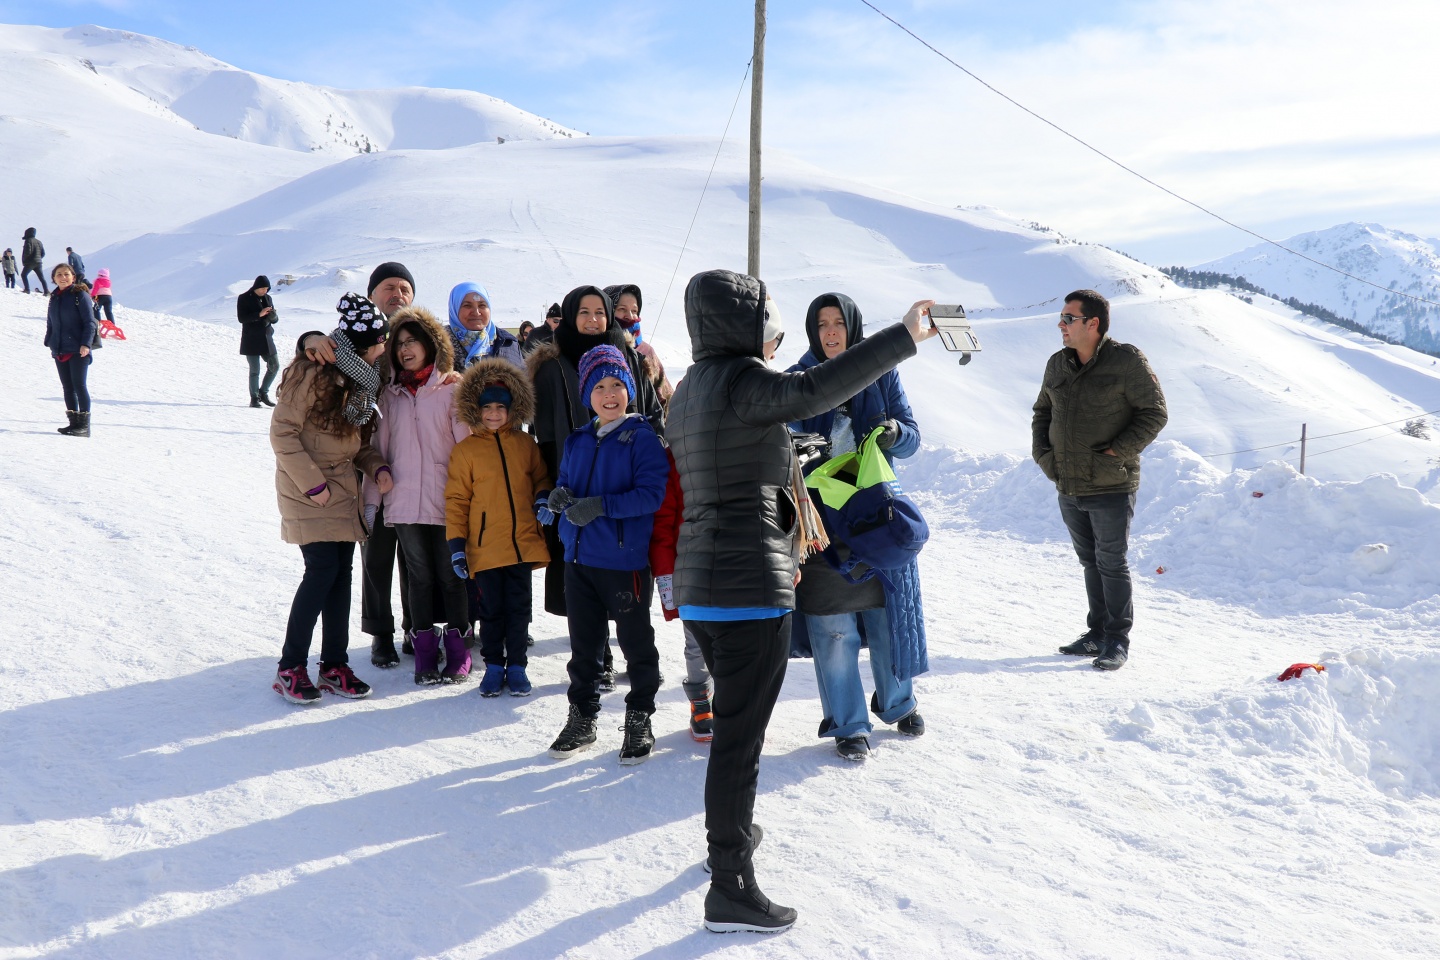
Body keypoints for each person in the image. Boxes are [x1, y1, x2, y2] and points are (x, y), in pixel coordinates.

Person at [667, 268, 937, 934]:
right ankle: (729, 883)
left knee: (735, 728)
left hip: (704, 583)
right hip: (747, 587)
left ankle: (731, 835)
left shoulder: (693, 388)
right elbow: (819, 385)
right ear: (740, 323)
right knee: (739, 741)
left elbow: (733, 457)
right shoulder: (744, 380)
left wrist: (789, 450)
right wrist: (903, 336)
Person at [788, 292, 928, 761]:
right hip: (822, 527)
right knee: (833, 631)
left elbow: (911, 438)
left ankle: (898, 703)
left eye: (838, 323)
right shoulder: (796, 379)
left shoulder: (881, 370)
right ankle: (848, 724)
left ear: (852, 326)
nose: (831, 331)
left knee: (888, 619)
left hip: (876, 519)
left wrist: (893, 432)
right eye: (822, 323)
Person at [543, 344, 669, 764]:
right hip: (578, 561)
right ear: (587, 394)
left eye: (617, 384)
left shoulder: (641, 437)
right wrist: (558, 499)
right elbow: (563, 481)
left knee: (636, 646)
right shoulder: (578, 439)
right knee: (584, 649)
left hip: (622, 562)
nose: (609, 393)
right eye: (599, 386)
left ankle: (639, 718)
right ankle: (582, 718)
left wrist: (599, 505)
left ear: (630, 390)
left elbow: (652, 495)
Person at [1032, 289, 1168, 671]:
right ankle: (1096, 633)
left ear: (1093, 324)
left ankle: (1117, 639)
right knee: (1090, 561)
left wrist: (1117, 451)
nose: (1061, 324)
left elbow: (1154, 413)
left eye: (1069, 318)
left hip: (1111, 484)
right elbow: (1042, 413)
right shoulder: (1057, 364)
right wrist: (1044, 456)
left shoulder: (1126, 361)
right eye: (1061, 317)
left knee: (1111, 561)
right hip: (1068, 483)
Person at [295, 262, 423, 668]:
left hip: (408, 458)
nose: (397, 293)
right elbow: (319, 350)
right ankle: (380, 633)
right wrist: (306, 338)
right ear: (371, 294)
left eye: (405, 287)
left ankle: (414, 627)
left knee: (415, 553)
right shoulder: (348, 338)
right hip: (357, 461)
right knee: (376, 552)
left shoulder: (418, 334)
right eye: (389, 286)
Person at [527, 286, 664, 652]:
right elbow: (543, 434)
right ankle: (595, 651)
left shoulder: (629, 359)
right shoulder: (552, 367)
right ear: (570, 316)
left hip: (622, 486)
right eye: (583, 312)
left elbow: (652, 412)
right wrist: (554, 486)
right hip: (571, 480)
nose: (592, 320)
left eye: (599, 312)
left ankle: (637, 659)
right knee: (580, 570)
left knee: (623, 572)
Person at [269, 293, 391, 704]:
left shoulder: (358, 383)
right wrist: (313, 486)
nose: (385, 349)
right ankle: (291, 667)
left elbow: (352, 445)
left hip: (342, 494)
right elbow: (282, 433)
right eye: (380, 342)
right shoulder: (312, 372)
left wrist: (376, 466)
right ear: (365, 345)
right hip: (311, 493)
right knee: (321, 573)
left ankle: (334, 665)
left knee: (340, 576)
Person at [363, 306, 475, 685]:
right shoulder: (390, 397)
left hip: (448, 502)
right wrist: (372, 502)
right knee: (419, 577)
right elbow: (379, 450)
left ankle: (458, 652)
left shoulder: (452, 391)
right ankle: (425, 652)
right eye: (399, 344)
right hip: (405, 502)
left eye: (413, 341)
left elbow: (468, 449)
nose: (406, 349)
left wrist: (475, 498)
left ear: (431, 344)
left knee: (451, 576)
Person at [446, 358, 551, 697]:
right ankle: (493, 665)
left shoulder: (525, 444)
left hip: (521, 542)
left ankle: (517, 665)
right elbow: (457, 500)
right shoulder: (466, 452)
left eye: (500, 407)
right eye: (487, 406)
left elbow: (540, 478)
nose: (494, 413)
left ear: (513, 409)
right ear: (476, 410)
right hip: (485, 547)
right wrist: (457, 545)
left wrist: (542, 498)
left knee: (519, 608)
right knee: (491, 609)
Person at [44, 262, 98, 438]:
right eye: (59, 274)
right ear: (54, 279)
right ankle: (74, 424)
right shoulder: (55, 297)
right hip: (59, 348)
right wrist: (49, 340)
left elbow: (90, 322)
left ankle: (84, 427)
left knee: (79, 385)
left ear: (73, 277)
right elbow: (51, 321)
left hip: (78, 348)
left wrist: (86, 344)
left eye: (66, 274)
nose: (63, 277)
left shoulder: (79, 295)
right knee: (67, 387)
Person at [447, 281, 525, 370]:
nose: (476, 312)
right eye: (467, 305)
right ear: (454, 310)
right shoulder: (437, 346)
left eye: (482, 305)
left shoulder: (508, 343)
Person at [237, 275, 281, 408]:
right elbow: (241, 318)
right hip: (251, 338)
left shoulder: (268, 298)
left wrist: (273, 317)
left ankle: (263, 392)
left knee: (274, 366)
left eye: (267, 288)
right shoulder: (244, 298)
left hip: (267, 338)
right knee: (255, 369)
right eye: (263, 288)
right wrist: (258, 315)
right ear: (256, 287)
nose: (265, 291)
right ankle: (254, 398)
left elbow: (274, 320)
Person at [20, 228, 46, 294]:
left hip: (30, 262)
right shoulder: (39, 242)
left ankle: (27, 289)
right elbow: (43, 253)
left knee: (23, 275)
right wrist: (39, 258)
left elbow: (27, 252)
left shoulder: (28, 241)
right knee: (41, 278)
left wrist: (25, 261)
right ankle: (46, 291)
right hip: (39, 263)